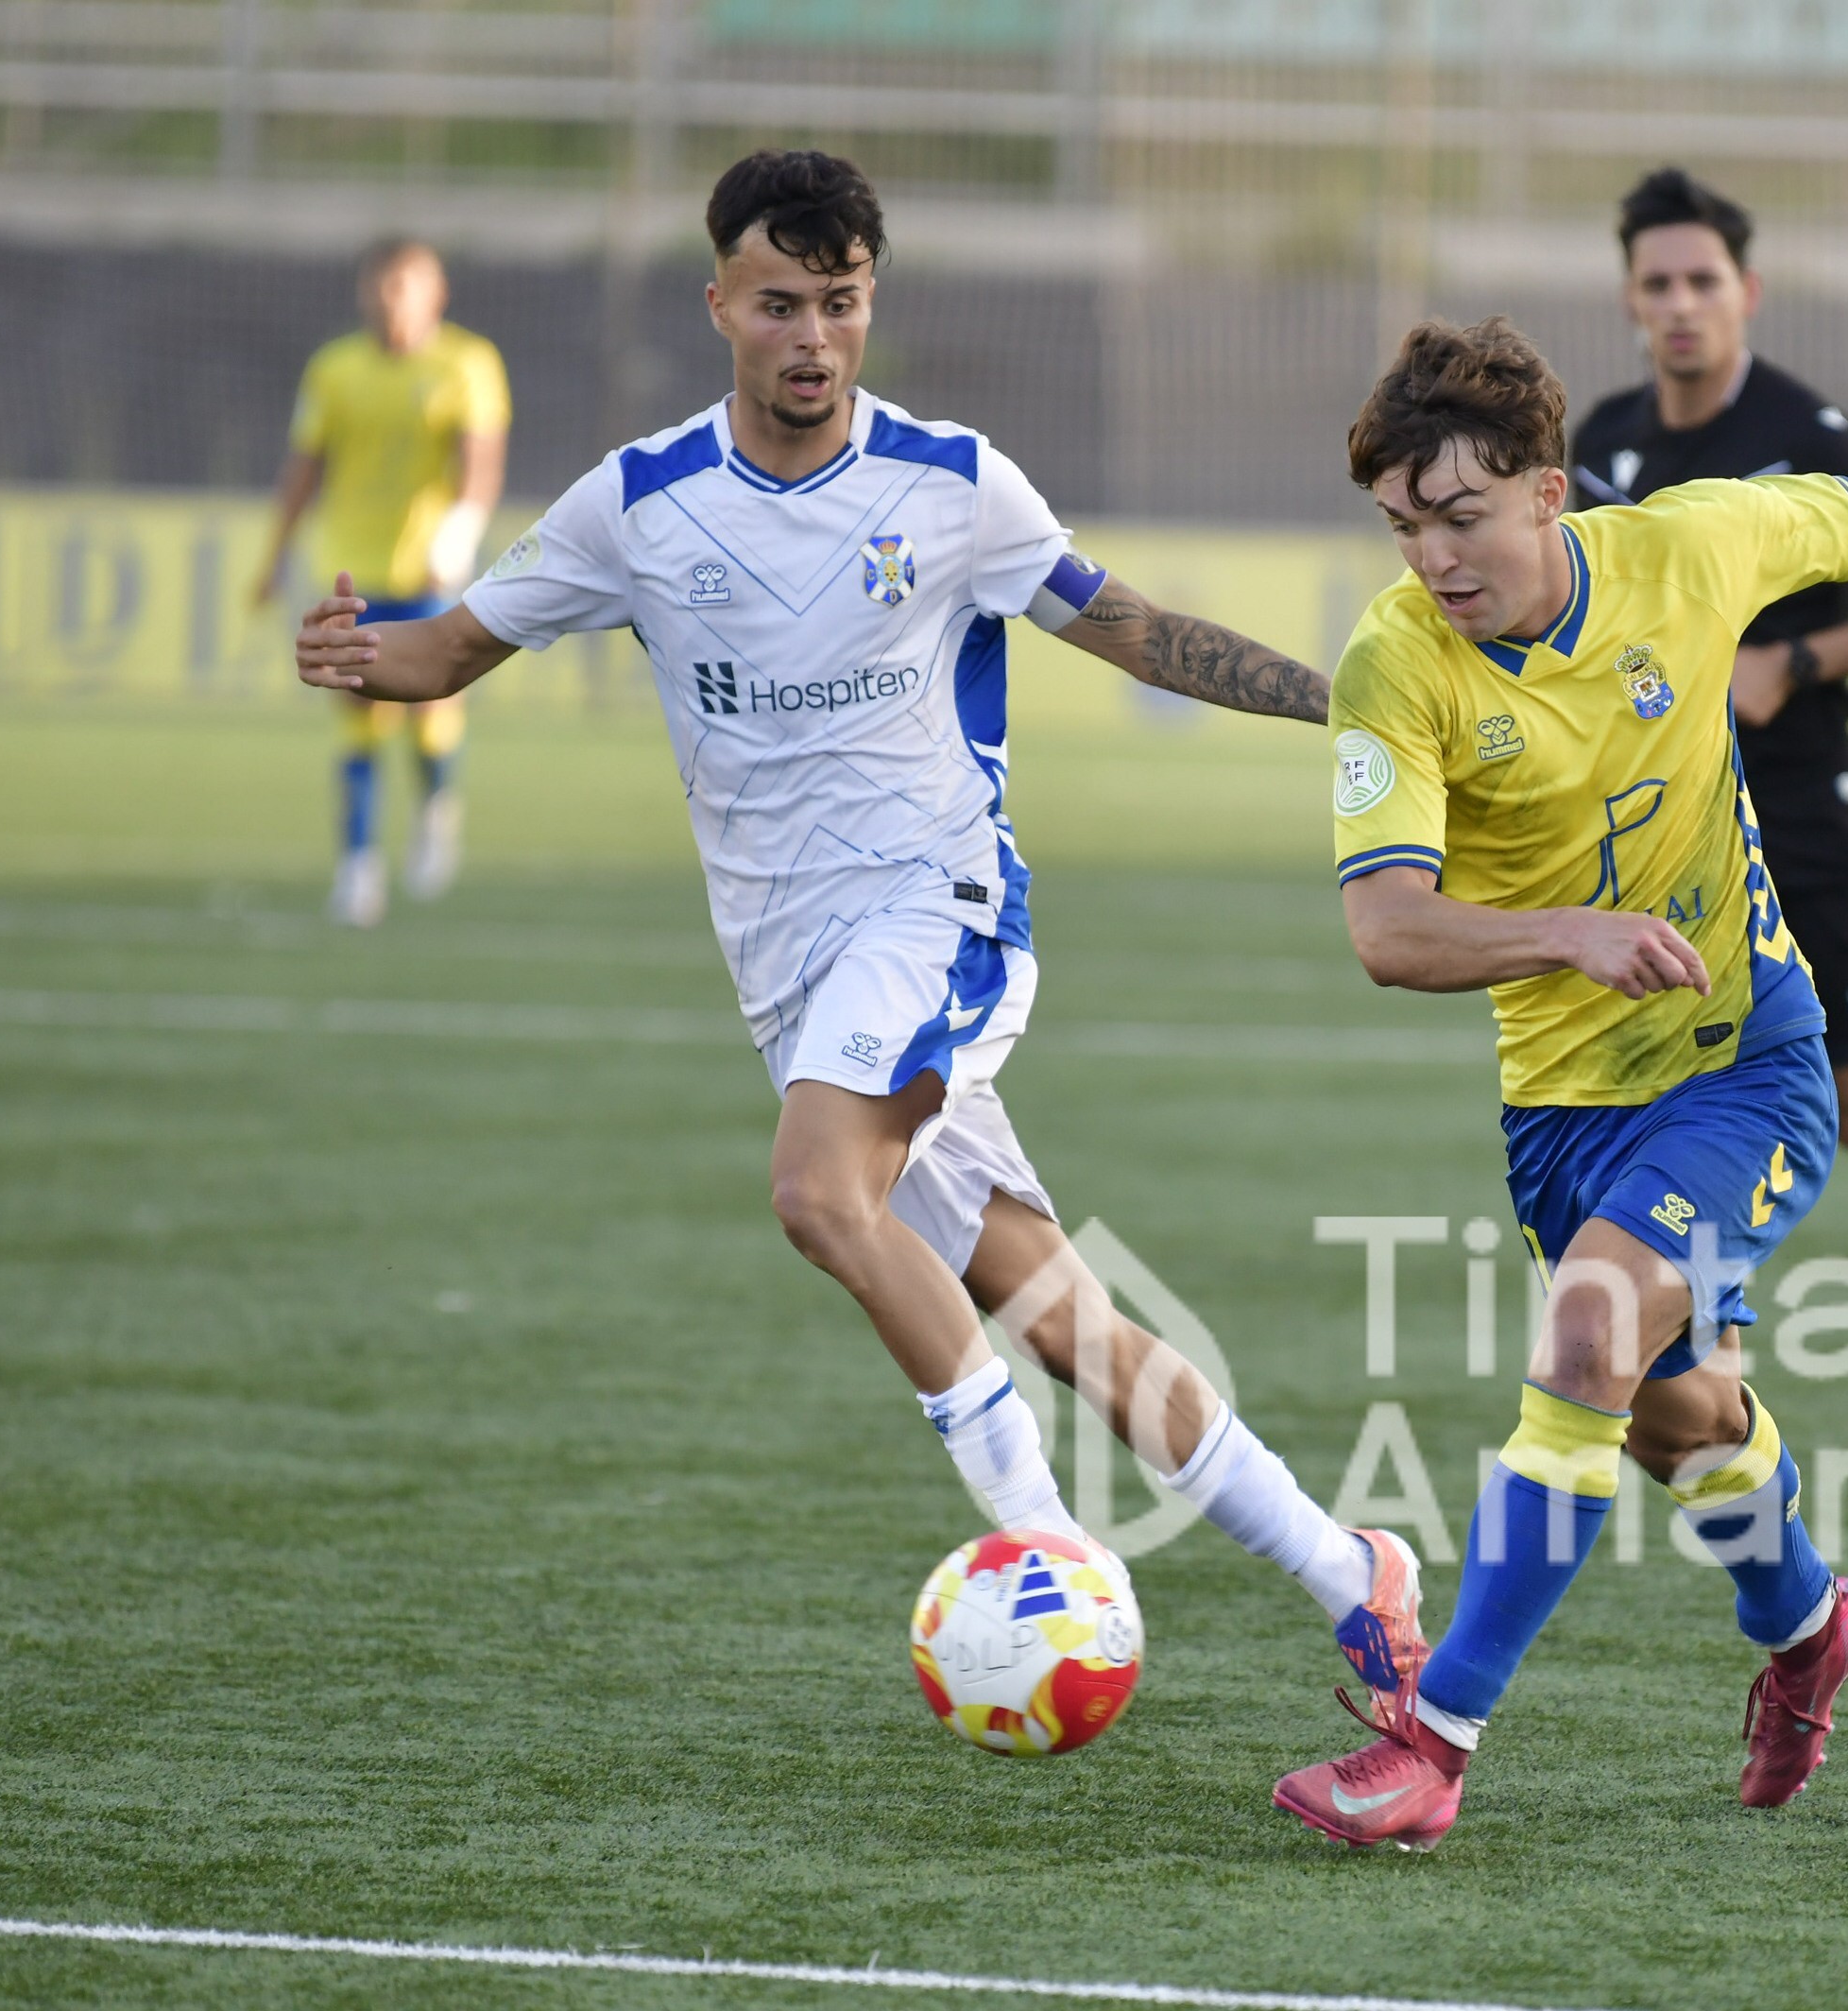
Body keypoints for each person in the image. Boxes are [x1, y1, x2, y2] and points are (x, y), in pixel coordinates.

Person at [292, 150, 1424, 1706]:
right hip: (795, 978)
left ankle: (1045, 1556)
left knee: (821, 1194)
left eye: (839, 301)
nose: (812, 334)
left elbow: (1141, 633)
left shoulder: (954, 484)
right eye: (779, 303)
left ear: (867, 303)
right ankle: (1347, 1570)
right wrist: (360, 651)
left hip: (942, 914)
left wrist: (1346, 702)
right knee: (1058, 1311)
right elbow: (453, 652)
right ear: (721, 308)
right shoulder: (638, 505)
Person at [1274, 318, 1848, 1850]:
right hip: (1561, 1107)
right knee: (1674, 1414)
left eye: (1462, 515)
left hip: (1743, 1061)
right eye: (1402, 524)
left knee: (1588, 1329)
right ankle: (1812, 1621)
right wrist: (1572, 932)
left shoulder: (1692, 546)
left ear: (1551, 493)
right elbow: (1386, 929)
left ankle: (1434, 1742)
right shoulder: (1393, 661)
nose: (1433, 555)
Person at [1569, 167, 1848, 1315]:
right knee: (1681, 1074)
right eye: (1656, 283)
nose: (1680, 303)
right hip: (1672, 828)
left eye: (1701, 281)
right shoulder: (1603, 440)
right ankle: (1678, 1315)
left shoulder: (1807, 436)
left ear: (1746, 291)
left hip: (1812, 814)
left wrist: (1798, 661)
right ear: (1628, 299)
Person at [257, 238, 509, 926]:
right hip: (350, 568)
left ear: (437, 294)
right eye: (383, 287)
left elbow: (480, 462)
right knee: (358, 721)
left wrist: (458, 534)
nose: (392, 301)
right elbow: (305, 466)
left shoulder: (467, 363)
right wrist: (273, 556)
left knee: (429, 718)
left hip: (427, 567)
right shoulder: (335, 369)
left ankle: (435, 804)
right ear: (365, 292)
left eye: (407, 287)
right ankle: (359, 869)